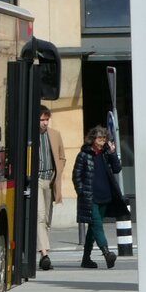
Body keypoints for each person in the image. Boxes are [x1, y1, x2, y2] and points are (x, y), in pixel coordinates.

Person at [72, 125, 121, 269]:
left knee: (93, 229)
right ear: (93, 139)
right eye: (99, 138)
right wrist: (82, 192)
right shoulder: (84, 155)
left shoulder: (106, 154)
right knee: (97, 225)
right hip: (90, 198)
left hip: (105, 197)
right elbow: (76, 176)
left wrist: (112, 153)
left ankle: (86, 259)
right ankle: (107, 253)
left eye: (104, 138)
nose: (102, 141)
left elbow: (117, 168)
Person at [34, 105, 66, 271]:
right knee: (39, 216)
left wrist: (58, 172)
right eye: (42, 119)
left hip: (50, 180)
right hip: (37, 179)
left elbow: (61, 157)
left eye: (47, 119)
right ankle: (45, 254)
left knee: (47, 219)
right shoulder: (31, 136)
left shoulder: (55, 135)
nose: (45, 123)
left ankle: (42, 253)